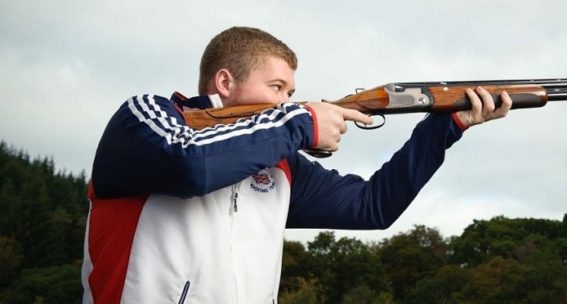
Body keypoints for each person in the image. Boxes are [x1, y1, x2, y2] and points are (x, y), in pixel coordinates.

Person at [81, 26, 512, 303]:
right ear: (225, 82)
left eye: (292, 93)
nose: (287, 103)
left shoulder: (280, 166)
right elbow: (188, 167)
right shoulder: (148, 118)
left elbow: (373, 207)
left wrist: (445, 127)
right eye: (277, 87)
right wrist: (302, 121)